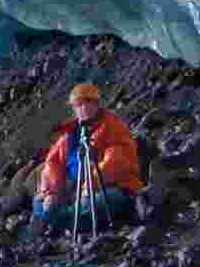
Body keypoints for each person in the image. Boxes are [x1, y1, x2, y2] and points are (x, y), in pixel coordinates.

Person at [33, 82, 142, 233]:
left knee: (99, 203)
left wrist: (87, 189)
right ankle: (62, 219)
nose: (83, 107)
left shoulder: (113, 127)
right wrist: (52, 193)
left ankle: (56, 221)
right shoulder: (70, 134)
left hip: (113, 187)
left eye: (88, 102)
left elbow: (115, 163)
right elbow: (53, 163)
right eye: (78, 104)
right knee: (39, 202)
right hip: (75, 191)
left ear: (97, 104)